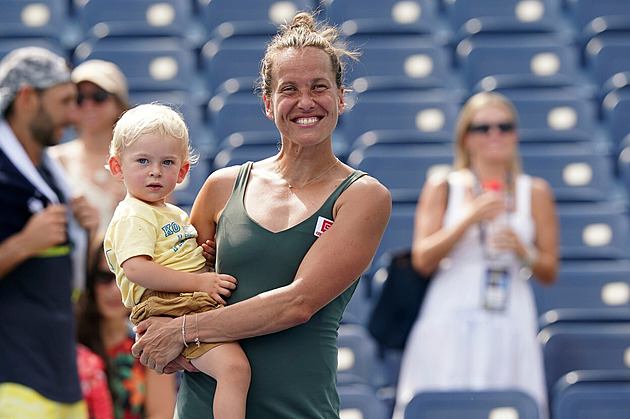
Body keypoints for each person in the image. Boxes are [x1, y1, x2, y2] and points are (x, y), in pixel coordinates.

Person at [130, 11, 392, 418]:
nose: (305, 102)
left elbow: (297, 304)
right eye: (289, 90)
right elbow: (168, 282)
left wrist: (183, 332)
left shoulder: (363, 196)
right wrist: (158, 336)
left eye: (319, 87)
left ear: (340, 97)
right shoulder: (220, 187)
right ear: (268, 104)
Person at [393, 91, 559, 419]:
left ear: (516, 134)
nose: (494, 134)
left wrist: (523, 252)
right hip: (450, 308)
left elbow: (550, 270)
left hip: (510, 309)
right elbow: (422, 259)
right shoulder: (444, 185)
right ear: (466, 138)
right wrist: (467, 219)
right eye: (483, 128)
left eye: (504, 126)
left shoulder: (535, 190)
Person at [103, 103, 250, 419]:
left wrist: (204, 258)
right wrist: (200, 280)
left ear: (182, 172)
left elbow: (175, 255)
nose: (155, 171)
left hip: (185, 299)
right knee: (235, 370)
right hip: (168, 304)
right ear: (118, 167)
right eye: (142, 161)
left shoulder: (171, 213)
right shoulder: (132, 215)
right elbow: (137, 268)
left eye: (167, 162)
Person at [0, 46, 100, 417]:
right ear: (27, 98)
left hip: (60, 375)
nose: (74, 114)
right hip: (13, 380)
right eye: (64, 102)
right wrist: (23, 244)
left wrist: (86, 234)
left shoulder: (48, 174)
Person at [76, 235, 177, 419]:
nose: (115, 290)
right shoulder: (70, 343)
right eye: (104, 277)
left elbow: (161, 414)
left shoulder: (150, 346)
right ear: (90, 281)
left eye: (124, 280)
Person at [49, 59, 130, 232]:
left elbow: (169, 223)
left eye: (98, 96)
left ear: (118, 103)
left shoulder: (144, 159)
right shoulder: (54, 160)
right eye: (79, 98)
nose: (87, 105)